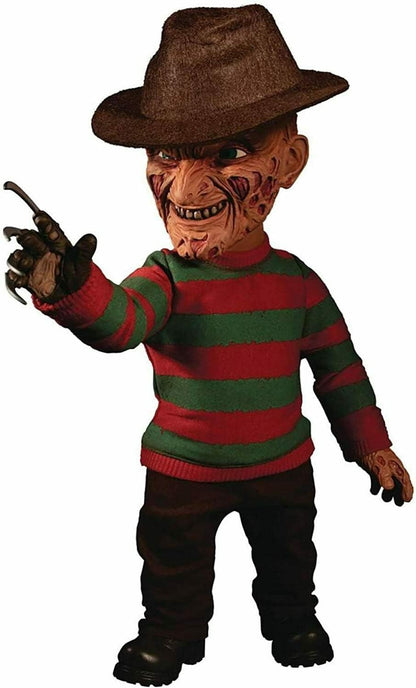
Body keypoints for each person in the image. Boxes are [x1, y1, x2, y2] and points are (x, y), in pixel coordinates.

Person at [5, 5, 413, 687]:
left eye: (229, 153)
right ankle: (168, 634)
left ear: (289, 161)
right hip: (182, 468)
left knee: (289, 556)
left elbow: (341, 372)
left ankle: (293, 620)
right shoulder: (165, 278)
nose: (186, 185)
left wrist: (372, 445)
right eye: (168, 154)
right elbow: (121, 323)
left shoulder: (298, 285)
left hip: (282, 465)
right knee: (172, 563)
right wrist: (73, 289)